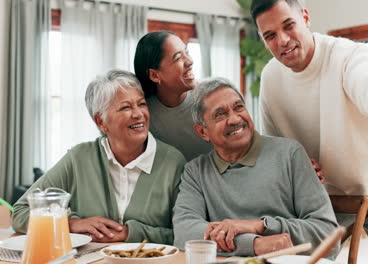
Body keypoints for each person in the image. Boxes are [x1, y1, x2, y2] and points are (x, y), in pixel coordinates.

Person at [251, 0, 368, 262]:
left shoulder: (348, 56)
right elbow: (278, 152)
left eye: (289, 26)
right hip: (327, 199)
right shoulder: (270, 78)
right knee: (295, 260)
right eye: (270, 35)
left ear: (306, 18)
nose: (283, 40)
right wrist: (297, 168)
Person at [12, 70, 186, 244]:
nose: (138, 114)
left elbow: (184, 233)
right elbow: (21, 212)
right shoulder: (79, 158)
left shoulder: (172, 162)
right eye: (126, 107)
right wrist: (71, 223)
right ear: (101, 122)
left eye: (141, 104)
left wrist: (128, 233)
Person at [173, 78, 339, 257]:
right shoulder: (196, 172)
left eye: (239, 107)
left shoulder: (290, 153)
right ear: (203, 132)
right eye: (220, 114)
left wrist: (261, 225)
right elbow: (184, 232)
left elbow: (328, 234)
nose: (235, 119)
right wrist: (255, 244)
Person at [134, 31, 212, 161]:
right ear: (154, 75)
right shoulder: (143, 115)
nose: (190, 61)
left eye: (186, 53)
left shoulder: (209, 98)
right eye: (178, 58)